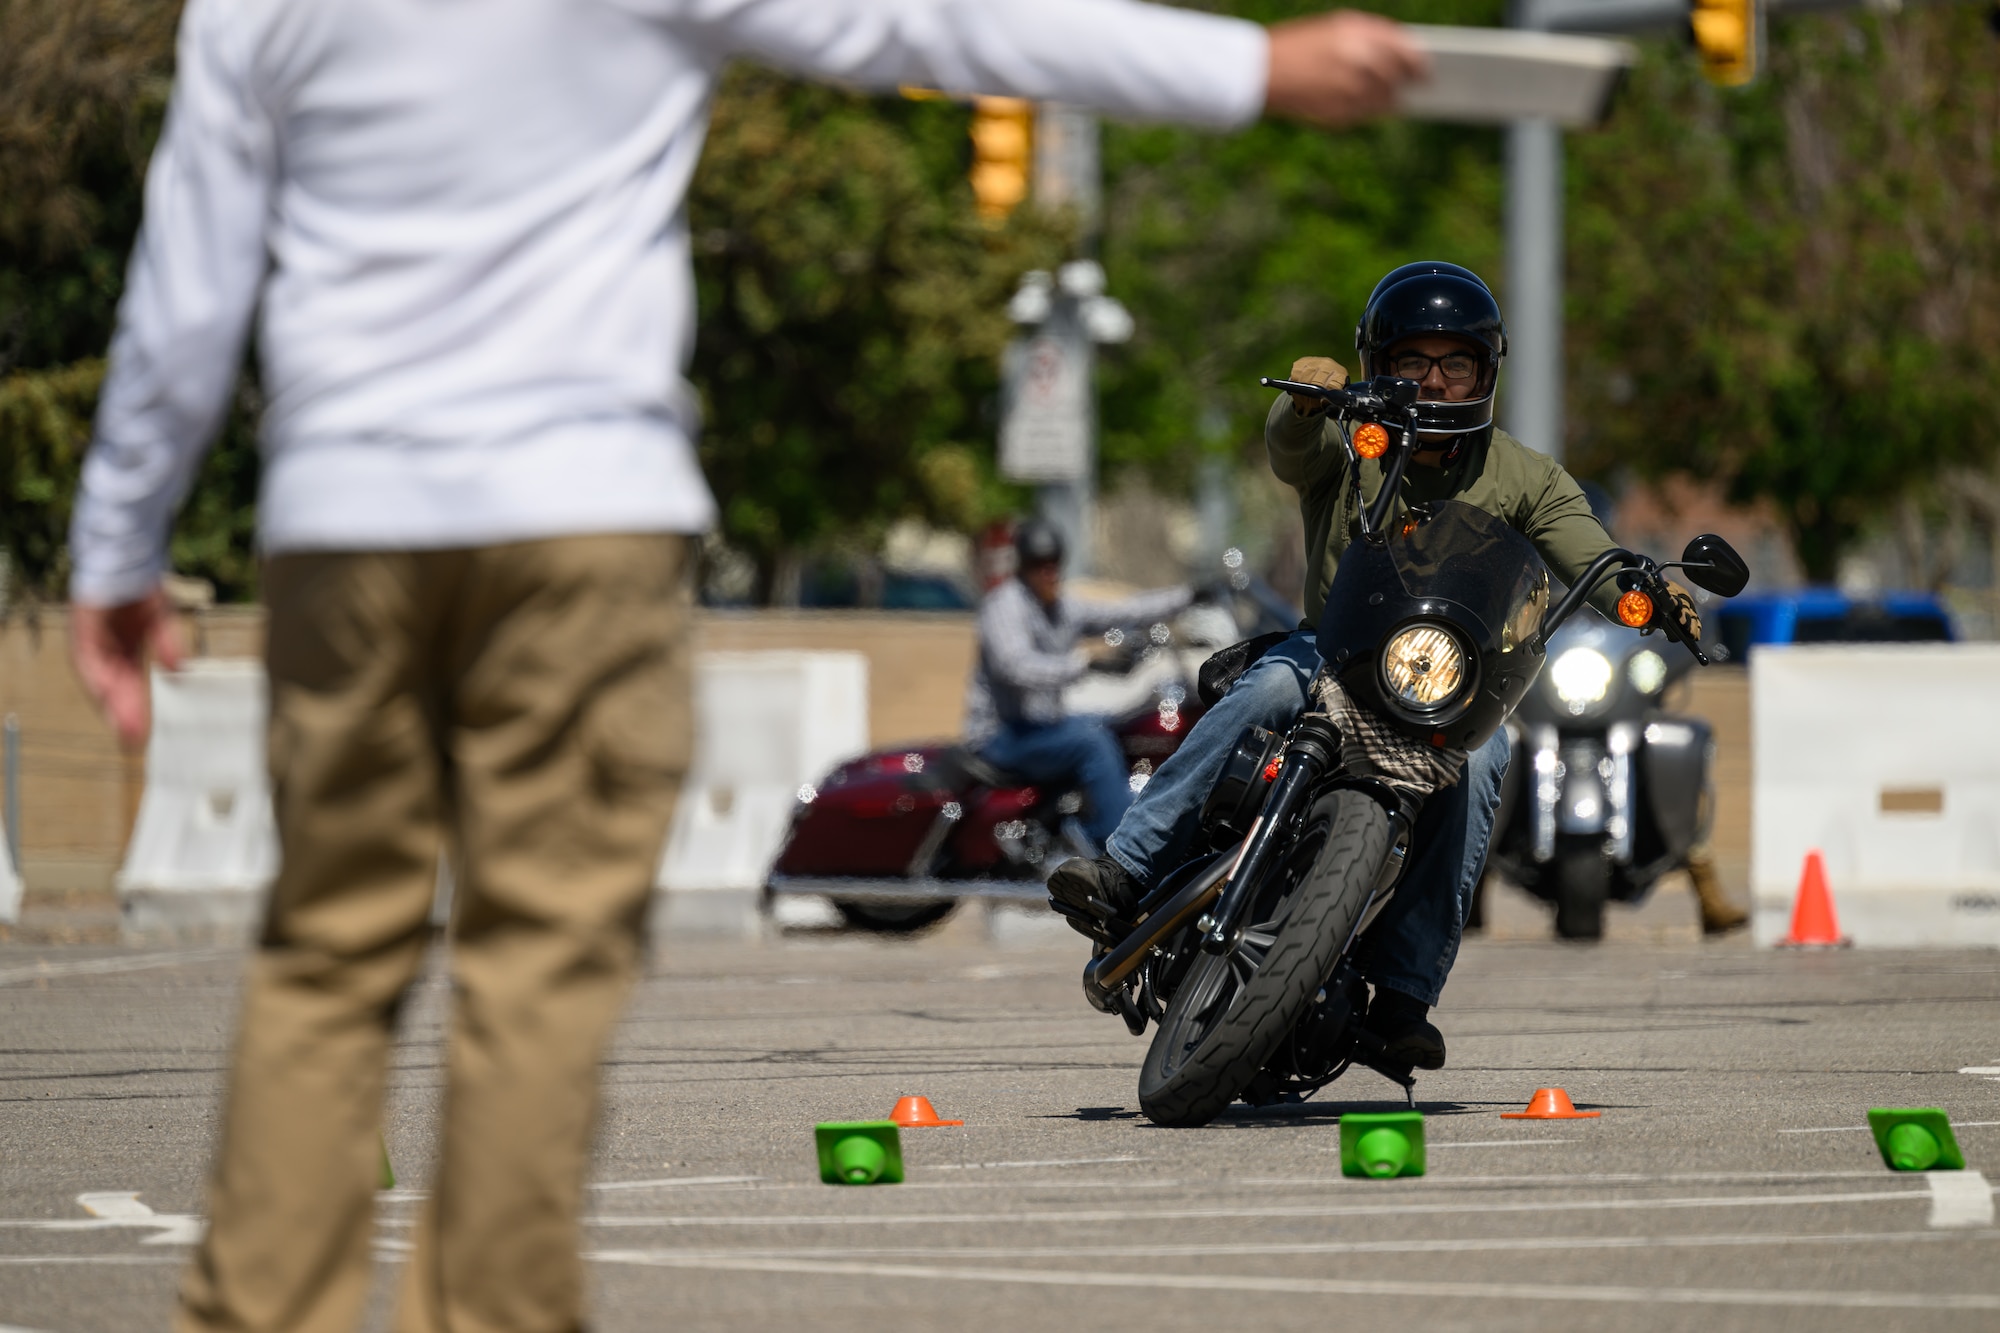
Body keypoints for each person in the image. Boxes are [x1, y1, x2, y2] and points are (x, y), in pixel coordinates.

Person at [61, 4, 1430, 1330]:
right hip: (582, 518)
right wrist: (1249, 67)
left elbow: (190, 285)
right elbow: (937, 26)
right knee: (534, 968)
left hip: (346, 524)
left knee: (327, 953)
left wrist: (119, 543)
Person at [1050, 261, 1704, 1071]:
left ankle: (1404, 992)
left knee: (1489, 754)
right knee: (1273, 684)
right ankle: (1125, 866)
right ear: (1378, 366)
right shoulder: (1354, 438)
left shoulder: (1525, 476)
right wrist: (1302, 403)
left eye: (1454, 362)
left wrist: (1649, 597)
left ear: (1486, 370)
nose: (1433, 381)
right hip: (1331, 653)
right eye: (1411, 362)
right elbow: (1295, 451)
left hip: (1444, 691)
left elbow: (1593, 558)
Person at [965, 518, 1192, 851]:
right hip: (1000, 736)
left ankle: (1077, 828)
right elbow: (1015, 666)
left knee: (1110, 727)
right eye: (1039, 566)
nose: (1049, 574)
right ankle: (1119, 850)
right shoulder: (1004, 605)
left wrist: (1189, 596)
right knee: (1091, 743)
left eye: (1053, 565)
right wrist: (1085, 663)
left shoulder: (1060, 606)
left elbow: (1123, 611)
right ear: (1024, 568)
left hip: (1038, 728)